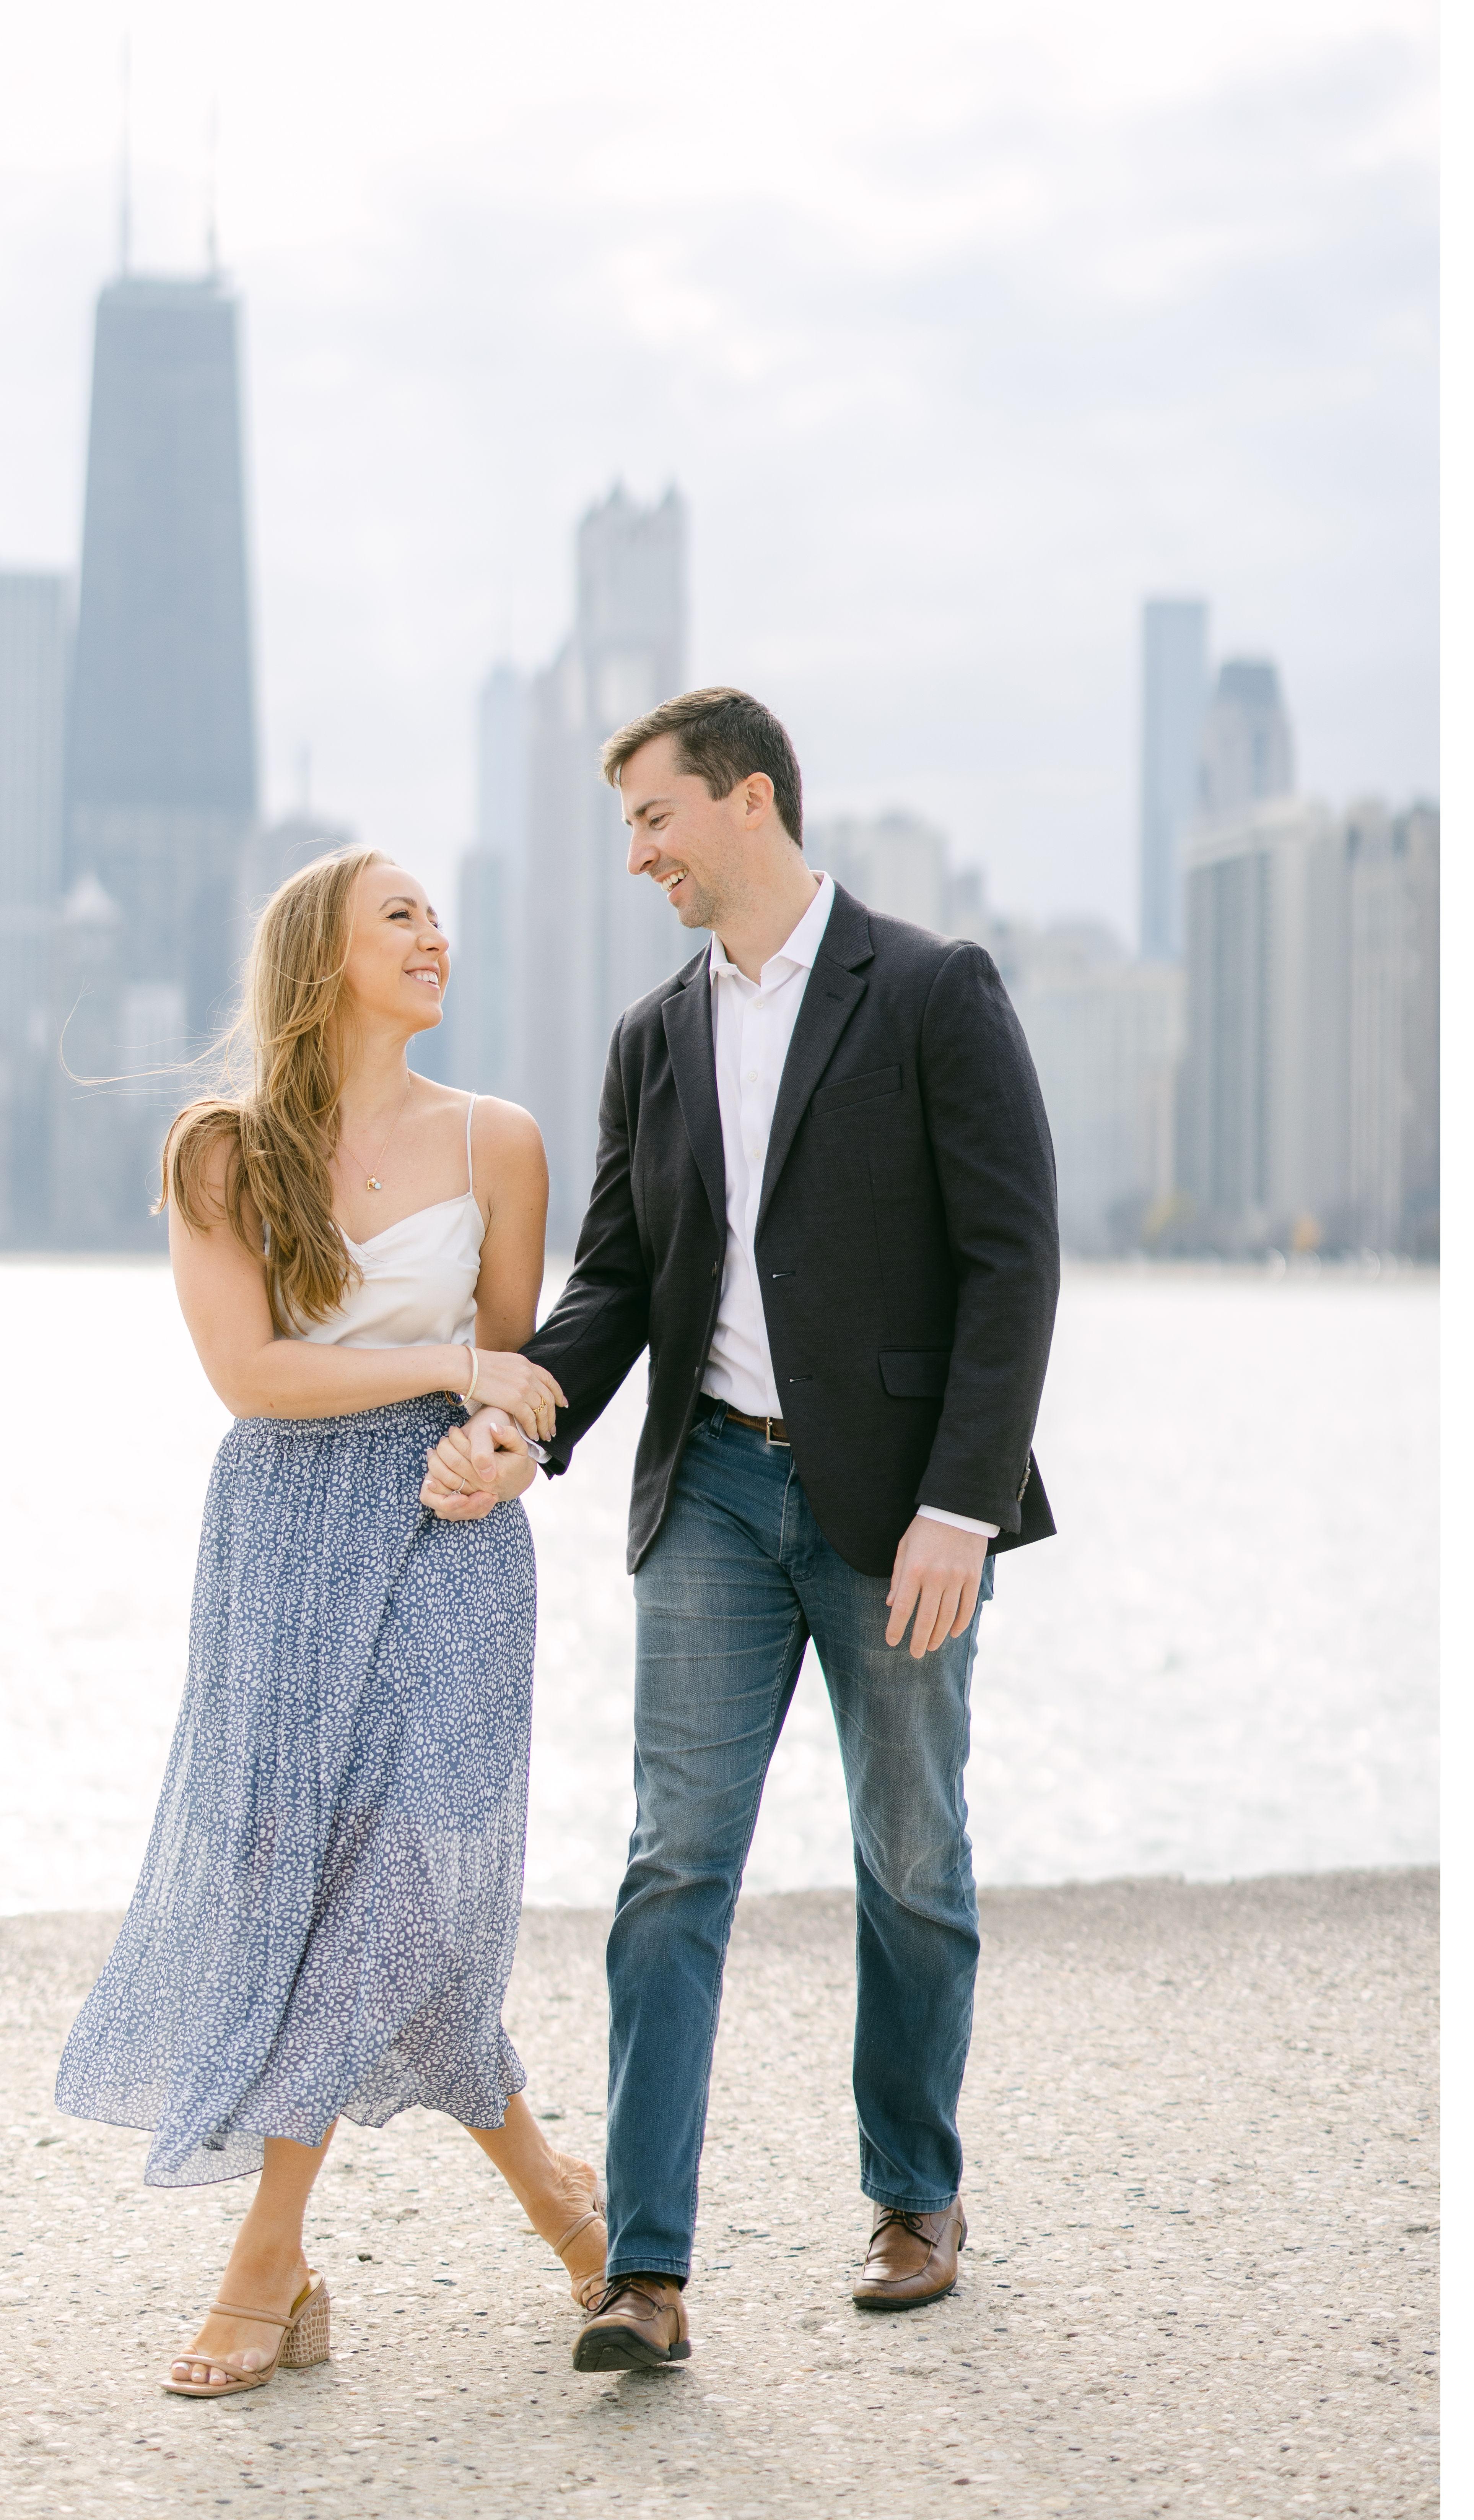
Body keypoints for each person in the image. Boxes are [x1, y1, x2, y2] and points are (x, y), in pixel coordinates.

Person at [424, 687, 1061, 2375]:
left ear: (748, 800)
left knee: (908, 1853)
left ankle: (915, 2195)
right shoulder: (654, 1036)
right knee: (670, 1863)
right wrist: (519, 1411)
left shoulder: (931, 990)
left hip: (898, 1508)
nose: (635, 855)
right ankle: (643, 2268)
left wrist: (957, 1507)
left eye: (651, 818)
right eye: (626, 828)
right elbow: (621, 1281)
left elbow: (1013, 1263)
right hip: (709, 1487)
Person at [54, 846, 608, 2401]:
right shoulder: (224, 1151)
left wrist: (490, 1443)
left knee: (393, 1877)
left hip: (447, 1532)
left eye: (439, 915)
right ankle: (560, 2197)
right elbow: (253, 1377)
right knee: (293, 1878)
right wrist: (443, 1375)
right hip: (285, 1530)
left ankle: (259, 2262)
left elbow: (510, 1374)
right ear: (322, 958)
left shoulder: (501, 1141)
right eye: (400, 917)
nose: (437, 935)